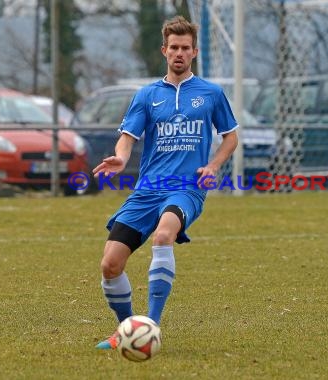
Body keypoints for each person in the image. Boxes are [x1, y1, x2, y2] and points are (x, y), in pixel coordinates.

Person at [93, 16, 239, 350]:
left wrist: (214, 166)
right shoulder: (147, 95)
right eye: (173, 47)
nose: (179, 53)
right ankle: (127, 331)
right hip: (147, 190)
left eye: (185, 48)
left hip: (186, 188)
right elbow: (128, 137)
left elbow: (230, 137)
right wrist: (120, 157)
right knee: (110, 263)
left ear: (194, 52)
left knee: (163, 234)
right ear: (164, 50)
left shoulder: (211, 94)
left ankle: (151, 328)